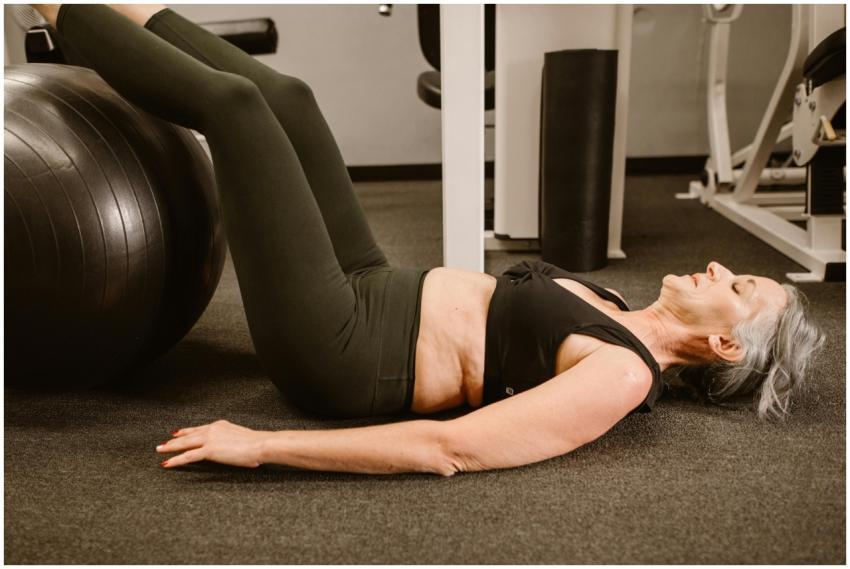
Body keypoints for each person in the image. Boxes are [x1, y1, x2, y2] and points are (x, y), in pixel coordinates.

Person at [32, 4, 824, 477]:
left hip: (340, 346)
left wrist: (263, 445)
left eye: (742, 285)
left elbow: (453, 448)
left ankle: (55, 10)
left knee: (237, 110)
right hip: (372, 280)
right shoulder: (617, 307)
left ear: (724, 343)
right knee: (287, 96)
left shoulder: (620, 375)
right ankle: (119, 12)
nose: (722, 265)